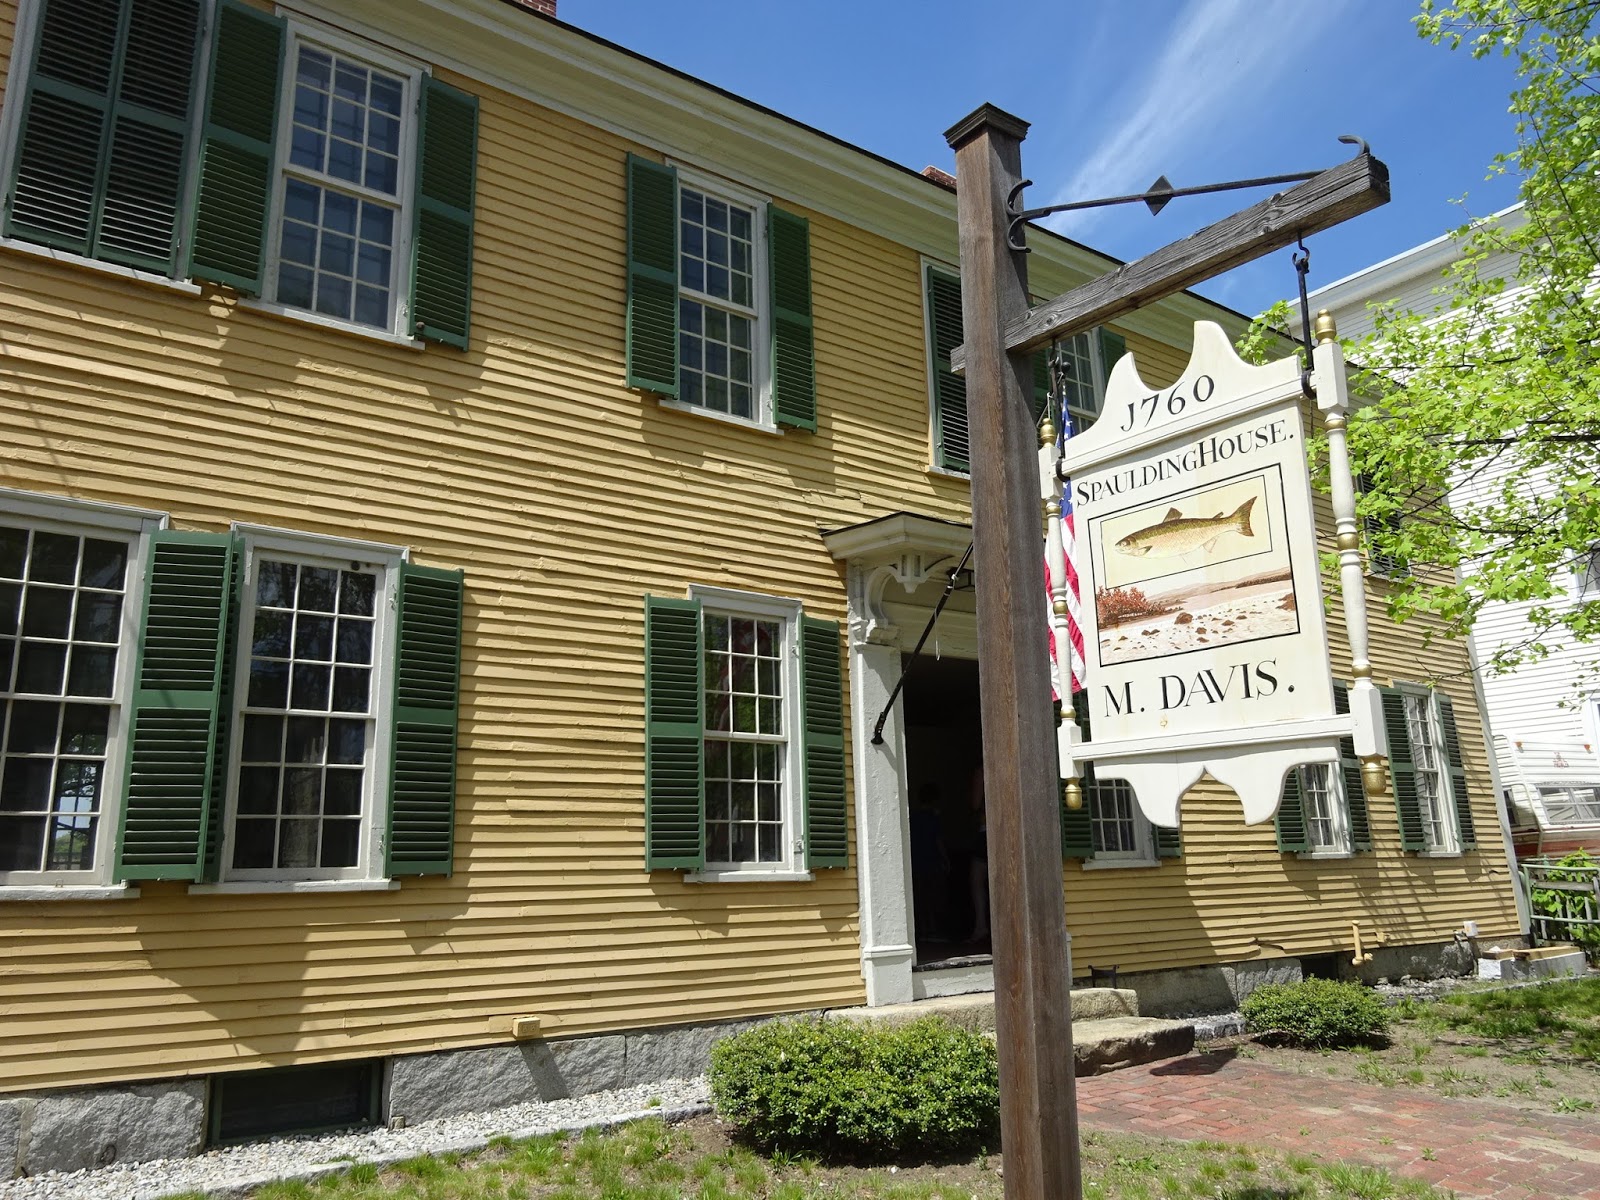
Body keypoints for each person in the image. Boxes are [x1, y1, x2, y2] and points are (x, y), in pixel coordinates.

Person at [967, 764, 989, 943]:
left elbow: (975, 804)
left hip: (986, 833)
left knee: (977, 882)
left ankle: (981, 927)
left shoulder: (981, 770)